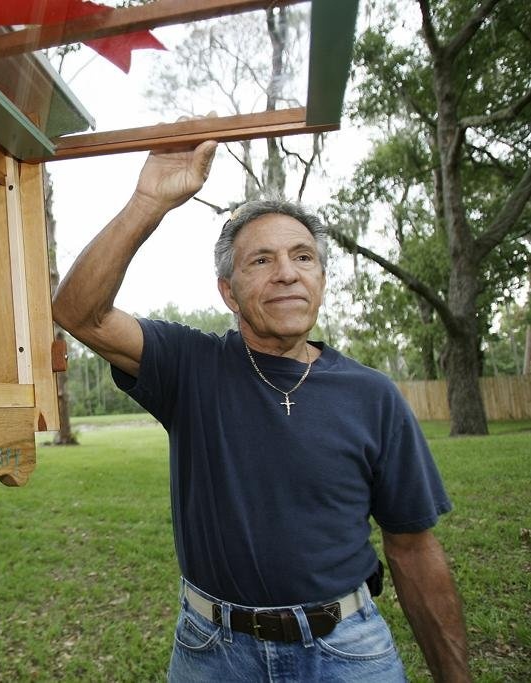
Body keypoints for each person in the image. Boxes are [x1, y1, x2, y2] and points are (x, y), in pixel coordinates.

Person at [52, 139, 470, 682]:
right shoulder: (191, 366)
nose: (287, 273)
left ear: (320, 280)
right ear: (229, 290)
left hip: (348, 652)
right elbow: (79, 312)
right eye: (261, 260)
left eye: (303, 257)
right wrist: (148, 200)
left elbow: (413, 549)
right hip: (214, 653)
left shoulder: (373, 396)